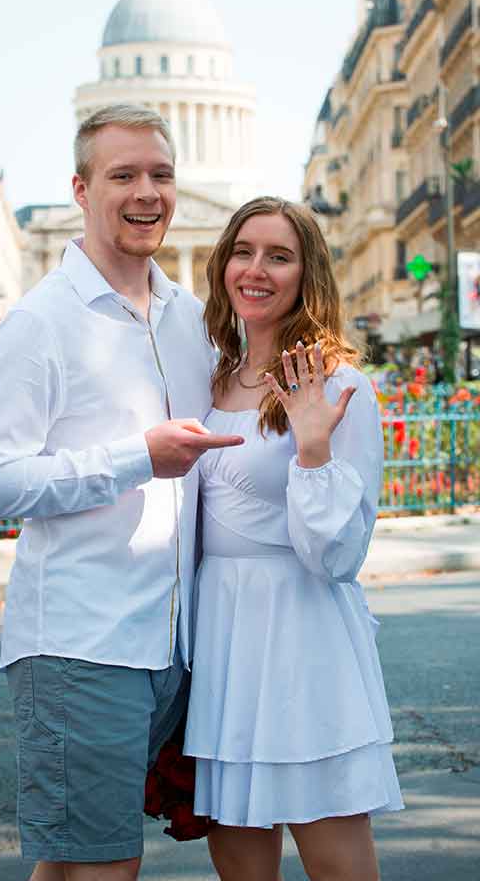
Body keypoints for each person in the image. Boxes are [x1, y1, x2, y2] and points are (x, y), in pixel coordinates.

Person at [0, 104, 243, 881]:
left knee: (74, 864)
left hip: (170, 643)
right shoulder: (41, 323)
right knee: (105, 866)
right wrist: (133, 459)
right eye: (124, 175)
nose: (146, 192)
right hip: (82, 640)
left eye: (160, 174)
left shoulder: (190, 318)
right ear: (81, 189)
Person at [184, 197, 402, 880]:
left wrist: (311, 451)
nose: (256, 269)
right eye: (244, 252)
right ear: (223, 264)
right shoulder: (211, 376)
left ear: (308, 274)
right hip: (221, 641)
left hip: (301, 637)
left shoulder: (339, 386)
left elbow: (338, 556)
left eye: (279, 256)